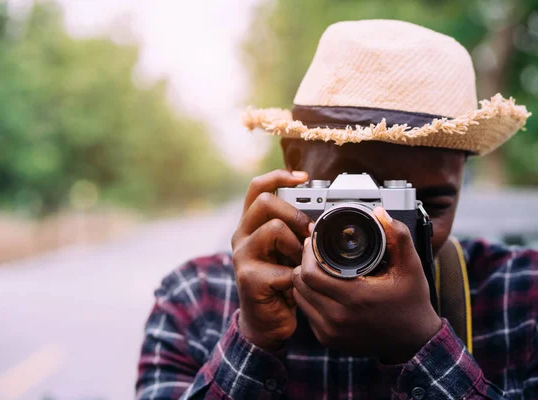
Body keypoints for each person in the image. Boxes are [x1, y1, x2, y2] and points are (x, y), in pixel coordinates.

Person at [136, 20, 535, 399]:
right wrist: (254, 338)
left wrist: (420, 345)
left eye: (425, 207)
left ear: (461, 180)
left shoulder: (521, 297)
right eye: (351, 203)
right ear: (293, 165)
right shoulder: (196, 301)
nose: (384, 232)